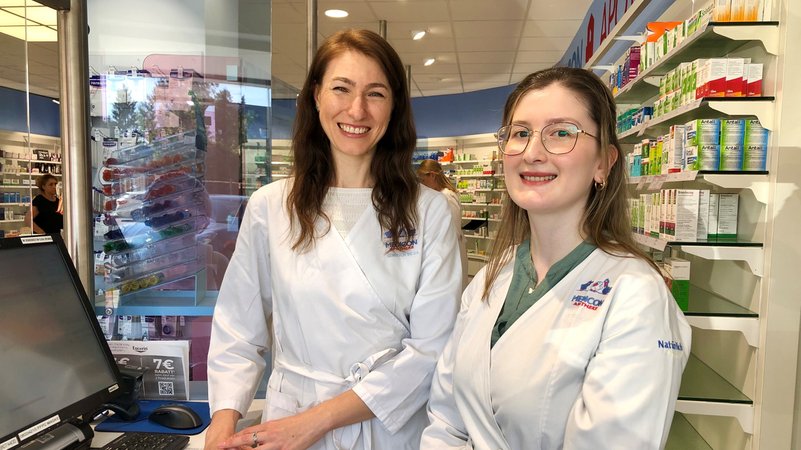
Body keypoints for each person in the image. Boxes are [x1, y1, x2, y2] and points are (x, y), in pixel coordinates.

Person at [205, 29, 462, 450]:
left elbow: (434, 349)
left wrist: (316, 421)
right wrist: (221, 426)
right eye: (341, 88)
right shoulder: (272, 206)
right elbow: (238, 328)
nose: (357, 109)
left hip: (385, 426)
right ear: (316, 97)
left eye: (375, 93)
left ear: (394, 106)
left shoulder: (429, 211)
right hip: (286, 423)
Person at [421, 67, 691, 449]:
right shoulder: (491, 278)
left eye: (561, 133)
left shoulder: (636, 296)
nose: (532, 153)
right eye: (520, 134)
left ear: (603, 162)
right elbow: (445, 417)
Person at [417, 159, 468, 288]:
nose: (422, 184)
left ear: (432, 175)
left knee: (453, 289)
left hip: (451, 251)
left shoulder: (447, 196)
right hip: (444, 251)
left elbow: (455, 229)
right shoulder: (437, 196)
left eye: (423, 180)